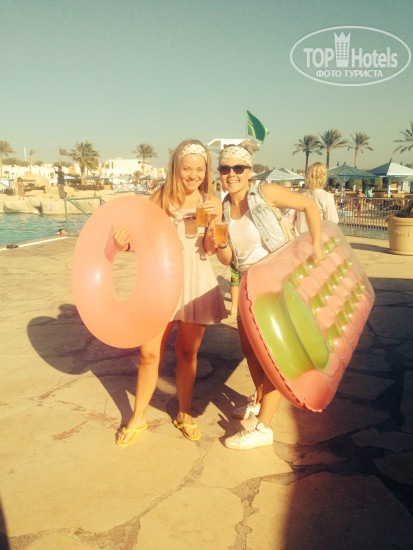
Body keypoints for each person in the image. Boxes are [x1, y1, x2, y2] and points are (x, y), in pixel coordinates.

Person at [113, 139, 227, 446]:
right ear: (176, 167)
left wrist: (215, 224)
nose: (193, 175)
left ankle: (184, 414)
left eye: (199, 170)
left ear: (206, 171)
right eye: (187, 168)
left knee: (188, 353)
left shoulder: (209, 201)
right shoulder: (160, 198)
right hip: (161, 281)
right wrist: (124, 242)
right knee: (149, 353)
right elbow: (142, 239)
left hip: (195, 280)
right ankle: (138, 417)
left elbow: (209, 249)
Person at [213, 141, 323, 450]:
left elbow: (309, 206)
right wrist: (219, 241)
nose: (232, 174)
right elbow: (227, 259)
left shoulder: (265, 192)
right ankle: (259, 400)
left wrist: (316, 244)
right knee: (250, 350)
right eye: (225, 168)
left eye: (238, 168)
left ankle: (263, 427)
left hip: (275, 282)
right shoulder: (222, 208)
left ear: (249, 171)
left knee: (271, 355)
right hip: (247, 284)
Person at [295, 162, 339, 234]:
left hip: (299, 236)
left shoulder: (298, 194)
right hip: (316, 236)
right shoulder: (326, 196)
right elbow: (333, 221)